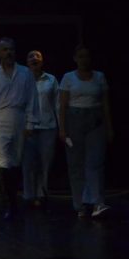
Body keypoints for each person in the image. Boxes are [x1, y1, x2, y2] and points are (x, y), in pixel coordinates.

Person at [0, 38, 39, 220]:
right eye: (4, 50)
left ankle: (13, 200)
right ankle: (8, 204)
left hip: (19, 117)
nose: (8, 53)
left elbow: (32, 99)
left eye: (11, 49)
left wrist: (30, 123)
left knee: (16, 161)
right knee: (1, 161)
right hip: (0, 118)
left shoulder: (25, 73)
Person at [58, 45, 113, 218]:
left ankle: (97, 202)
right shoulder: (68, 77)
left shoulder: (99, 76)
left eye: (87, 56)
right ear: (75, 58)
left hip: (95, 121)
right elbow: (62, 105)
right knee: (76, 164)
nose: (84, 60)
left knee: (95, 163)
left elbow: (105, 104)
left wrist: (109, 128)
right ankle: (80, 204)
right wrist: (62, 129)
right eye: (80, 56)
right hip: (74, 120)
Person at [25, 50, 59, 208]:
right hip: (28, 128)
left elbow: (57, 104)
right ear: (27, 62)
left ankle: (42, 194)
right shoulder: (22, 80)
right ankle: (29, 195)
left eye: (37, 56)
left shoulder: (51, 79)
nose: (34, 59)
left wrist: (61, 127)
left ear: (42, 61)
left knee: (45, 163)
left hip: (48, 127)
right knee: (29, 163)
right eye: (31, 57)